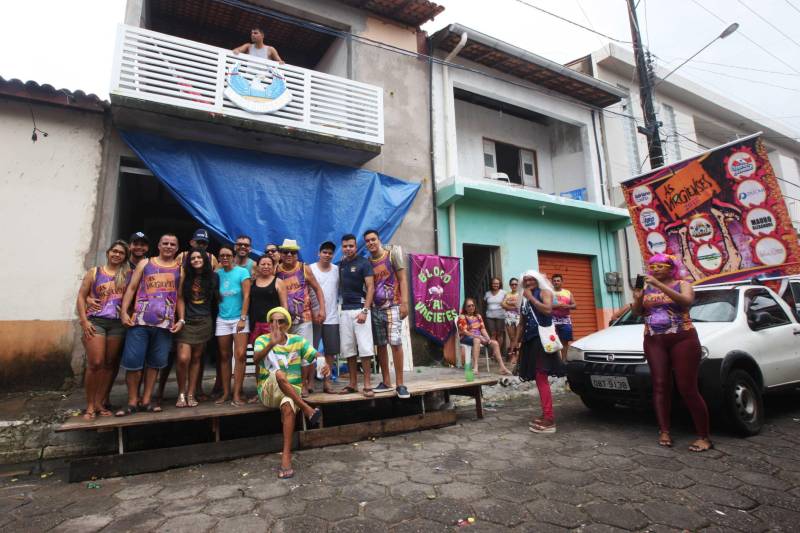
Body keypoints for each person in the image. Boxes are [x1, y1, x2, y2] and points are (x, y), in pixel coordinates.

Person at [631, 253, 712, 452]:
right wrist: (638, 299)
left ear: (671, 268)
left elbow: (686, 302)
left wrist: (659, 286)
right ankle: (664, 430)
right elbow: (637, 312)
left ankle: (703, 436)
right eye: (653, 266)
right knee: (660, 385)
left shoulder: (682, 284)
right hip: (653, 340)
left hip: (683, 338)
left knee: (687, 387)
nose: (656, 269)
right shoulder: (645, 287)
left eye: (660, 266)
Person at [116, 234, 185, 416]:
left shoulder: (180, 269)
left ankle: (146, 399)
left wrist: (181, 319)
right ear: (159, 245)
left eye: (172, 244)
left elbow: (180, 297)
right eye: (165, 243)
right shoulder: (145, 263)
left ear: (177, 248)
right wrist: (123, 312)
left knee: (155, 364)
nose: (169, 246)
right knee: (133, 363)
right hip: (139, 321)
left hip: (165, 325)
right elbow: (131, 288)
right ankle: (132, 401)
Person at [253, 307, 325, 479]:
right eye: (272, 321)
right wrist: (272, 343)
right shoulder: (262, 340)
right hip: (269, 389)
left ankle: (286, 456)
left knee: (288, 405)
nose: (276, 324)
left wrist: (324, 363)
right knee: (279, 374)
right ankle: (307, 409)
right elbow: (256, 359)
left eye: (280, 321)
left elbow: (315, 354)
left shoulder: (297, 341)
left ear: (287, 324)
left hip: (292, 391)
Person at [76, 240, 131, 419]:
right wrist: (84, 321)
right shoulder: (95, 272)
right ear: (108, 253)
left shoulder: (127, 275)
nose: (117, 255)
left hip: (117, 324)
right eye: (114, 251)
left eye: (121, 253)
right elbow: (81, 296)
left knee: (109, 363)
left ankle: (100, 402)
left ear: (125, 257)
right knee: (96, 362)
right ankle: (90, 405)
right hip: (96, 321)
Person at [364, 230, 410, 399]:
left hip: (393, 306)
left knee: (396, 343)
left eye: (373, 239)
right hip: (375, 309)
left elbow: (403, 279)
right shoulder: (367, 262)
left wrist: (405, 303)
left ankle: (400, 384)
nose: (370, 243)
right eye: (367, 241)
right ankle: (386, 381)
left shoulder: (392, 255)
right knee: (381, 345)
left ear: (379, 240)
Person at [276, 239, 326, 397]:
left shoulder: (304, 269)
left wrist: (322, 309)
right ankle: (288, 384)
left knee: (305, 353)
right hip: (284, 321)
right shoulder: (276, 270)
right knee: (286, 353)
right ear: (281, 254)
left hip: (304, 318)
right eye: (286, 252)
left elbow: (318, 289)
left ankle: (303, 384)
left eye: (293, 251)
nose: (289, 254)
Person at [513, 270, 560, 433]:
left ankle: (549, 420)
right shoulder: (524, 300)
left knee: (541, 376)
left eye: (531, 279)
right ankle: (546, 414)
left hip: (542, 341)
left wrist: (531, 298)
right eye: (525, 280)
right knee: (539, 377)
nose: (528, 282)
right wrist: (514, 342)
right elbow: (521, 324)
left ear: (537, 280)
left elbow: (547, 310)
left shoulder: (544, 292)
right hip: (530, 342)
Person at [174, 248, 218, 408]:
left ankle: (191, 393)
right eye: (193, 258)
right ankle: (181, 392)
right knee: (183, 358)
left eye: (199, 257)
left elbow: (218, 299)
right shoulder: (185, 276)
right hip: (187, 321)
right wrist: (182, 319)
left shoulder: (213, 277)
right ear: (189, 262)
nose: (196, 260)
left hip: (204, 321)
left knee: (196, 359)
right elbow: (180, 298)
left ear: (205, 260)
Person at [338, 233, 376, 397]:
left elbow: (371, 287)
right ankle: (353, 384)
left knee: (365, 348)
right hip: (344, 310)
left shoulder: (364, 263)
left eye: (351, 246)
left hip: (360, 310)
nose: (348, 249)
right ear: (342, 247)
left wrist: (365, 310)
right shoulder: (340, 265)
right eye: (345, 246)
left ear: (356, 246)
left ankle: (367, 384)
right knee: (348, 349)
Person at [216, 245, 251, 406]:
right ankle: (225, 393)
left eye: (228, 255)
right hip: (222, 319)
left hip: (239, 318)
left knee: (241, 355)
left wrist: (243, 318)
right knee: (224, 356)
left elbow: (246, 296)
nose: (225, 258)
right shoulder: (217, 274)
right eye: (222, 255)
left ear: (233, 256)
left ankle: (237, 393)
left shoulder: (242, 272)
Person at [309, 241, 341, 394]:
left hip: (332, 317)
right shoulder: (310, 269)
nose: (327, 255)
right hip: (313, 317)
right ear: (318, 253)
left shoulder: (337, 270)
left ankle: (327, 382)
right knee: (310, 351)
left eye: (330, 253)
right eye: (324, 252)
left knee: (330, 352)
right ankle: (309, 383)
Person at [457, 298, 512, 376]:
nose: (471, 307)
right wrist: (478, 337)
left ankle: (502, 368)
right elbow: (465, 332)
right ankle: (475, 367)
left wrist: (488, 339)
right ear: (465, 308)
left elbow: (483, 329)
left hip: (479, 337)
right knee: (477, 340)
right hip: (466, 337)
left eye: (473, 305)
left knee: (495, 343)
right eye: (469, 306)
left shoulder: (478, 316)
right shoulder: (462, 317)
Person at [249, 254, 288, 344]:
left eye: (269, 264)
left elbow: (284, 305)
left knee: (273, 353)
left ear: (273, 266)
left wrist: (283, 325)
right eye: (263, 264)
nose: (266, 266)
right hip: (254, 324)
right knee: (255, 353)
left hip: (273, 324)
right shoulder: (252, 282)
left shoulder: (278, 282)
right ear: (258, 266)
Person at [551, 274, 576, 362]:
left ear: (562, 282)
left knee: (564, 342)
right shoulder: (549, 292)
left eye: (558, 281)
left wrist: (567, 306)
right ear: (552, 282)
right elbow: (545, 305)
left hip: (565, 321)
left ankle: (564, 361)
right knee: (552, 341)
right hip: (552, 321)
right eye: (554, 281)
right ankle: (555, 362)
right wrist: (556, 305)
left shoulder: (567, 292)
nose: (556, 282)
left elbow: (574, 305)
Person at [483, 278, 507, 357]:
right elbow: (484, 304)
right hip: (489, 316)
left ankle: (497, 353)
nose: (495, 285)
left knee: (500, 334)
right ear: (491, 284)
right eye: (494, 283)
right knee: (492, 334)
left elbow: (507, 304)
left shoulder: (503, 293)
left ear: (500, 284)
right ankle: (493, 351)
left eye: (497, 283)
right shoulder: (487, 293)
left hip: (501, 316)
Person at [501, 278, 521, 367]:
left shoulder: (521, 294)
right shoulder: (507, 294)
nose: (514, 286)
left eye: (515, 284)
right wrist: (513, 306)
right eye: (512, 284)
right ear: (510, 285)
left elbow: (519, 305)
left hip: (518, 318)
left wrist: (509, 303)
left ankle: (517, 356)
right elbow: (502, 304)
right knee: (512, 338)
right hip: (509, 318)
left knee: (518, 338)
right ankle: (513, 355)